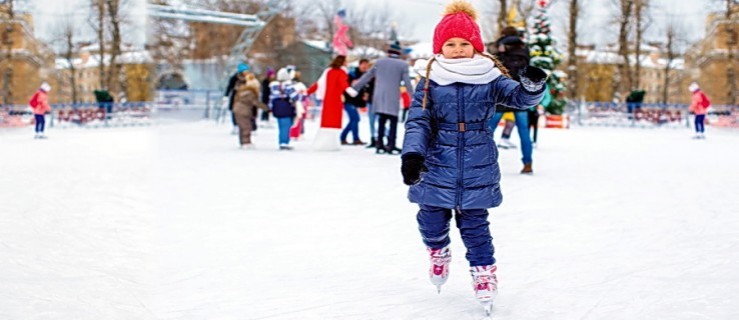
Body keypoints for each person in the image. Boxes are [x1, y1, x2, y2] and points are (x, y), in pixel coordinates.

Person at [400, 0, 546, 313]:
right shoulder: (430, 79)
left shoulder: (490, 76)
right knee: (429, 217)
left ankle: (484, 275)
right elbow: (418, 120)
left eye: (464, 43)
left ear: (475, 46)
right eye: (450, 44)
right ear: (440, 47)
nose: (457, 49)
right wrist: (412, 154)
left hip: (478, 162)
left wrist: (532, 87)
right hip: (436, 162)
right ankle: (437, 250)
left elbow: (518, 97)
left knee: (476, 226)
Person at [487, 26, 536, 174]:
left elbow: (491, 67)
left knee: (488, 130)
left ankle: (484, 161)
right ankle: (528, 163)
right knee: (524, 131)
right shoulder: (524, 48)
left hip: (501, 94)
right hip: (520, 94)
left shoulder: (498, 46)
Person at [351, 41, 413, 154]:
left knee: (381, 120)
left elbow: (367, 76)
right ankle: (391, 145)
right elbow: (408, 83)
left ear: (388, 52)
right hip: (393, 96)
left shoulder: (379, 63)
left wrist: (355, 88)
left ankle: (379, 145)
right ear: (398, 53)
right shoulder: (403, 65)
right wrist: (413, 97)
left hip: (378, 96)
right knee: (393, 121)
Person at [306, 55, 356, 151]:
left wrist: (307, 92)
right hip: (336, 100)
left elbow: (318, 84)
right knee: (334, 122)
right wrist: (350, 90)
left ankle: (322, 143)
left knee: (326, 122)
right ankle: (332, 144)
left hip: (327, 100)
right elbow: (343, 84)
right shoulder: (342, 72)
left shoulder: (328, 71)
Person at [232, 66, 266, 149]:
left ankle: (242, 141)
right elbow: (256, 103)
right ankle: (246, 142)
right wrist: (266, 108)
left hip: (237, 109)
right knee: (246, 127)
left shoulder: (242, 90)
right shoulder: (250, 93)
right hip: (244, 111)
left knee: (242, 127)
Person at [269, 67, 302, 150]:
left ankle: (281, 141)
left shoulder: (274, 86)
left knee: (281, 125)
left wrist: (270, 108)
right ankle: (284, 142)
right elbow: (295, 96)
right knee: (286, 126)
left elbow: (271, 97)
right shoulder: (288, 85)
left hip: (276, 106)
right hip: (286, 107)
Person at [341, 59, 370, 145]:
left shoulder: (366, 75)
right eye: (363, 64)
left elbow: (365, 88)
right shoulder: (352, 74)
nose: (365, 66)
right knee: (355, 119)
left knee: (353, 120)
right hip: (348, 100)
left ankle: (343, 137)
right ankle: (355, 138)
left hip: (356, 101)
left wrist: (365, 95)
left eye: (366, 65)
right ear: (359, 65)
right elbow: (345, 85)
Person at [224, 63, 250, 134]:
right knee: (235, 111)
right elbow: (229, 87)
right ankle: (235, 125)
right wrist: (226, 95)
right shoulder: (234, 78)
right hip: (236, 97)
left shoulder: (249, 78)